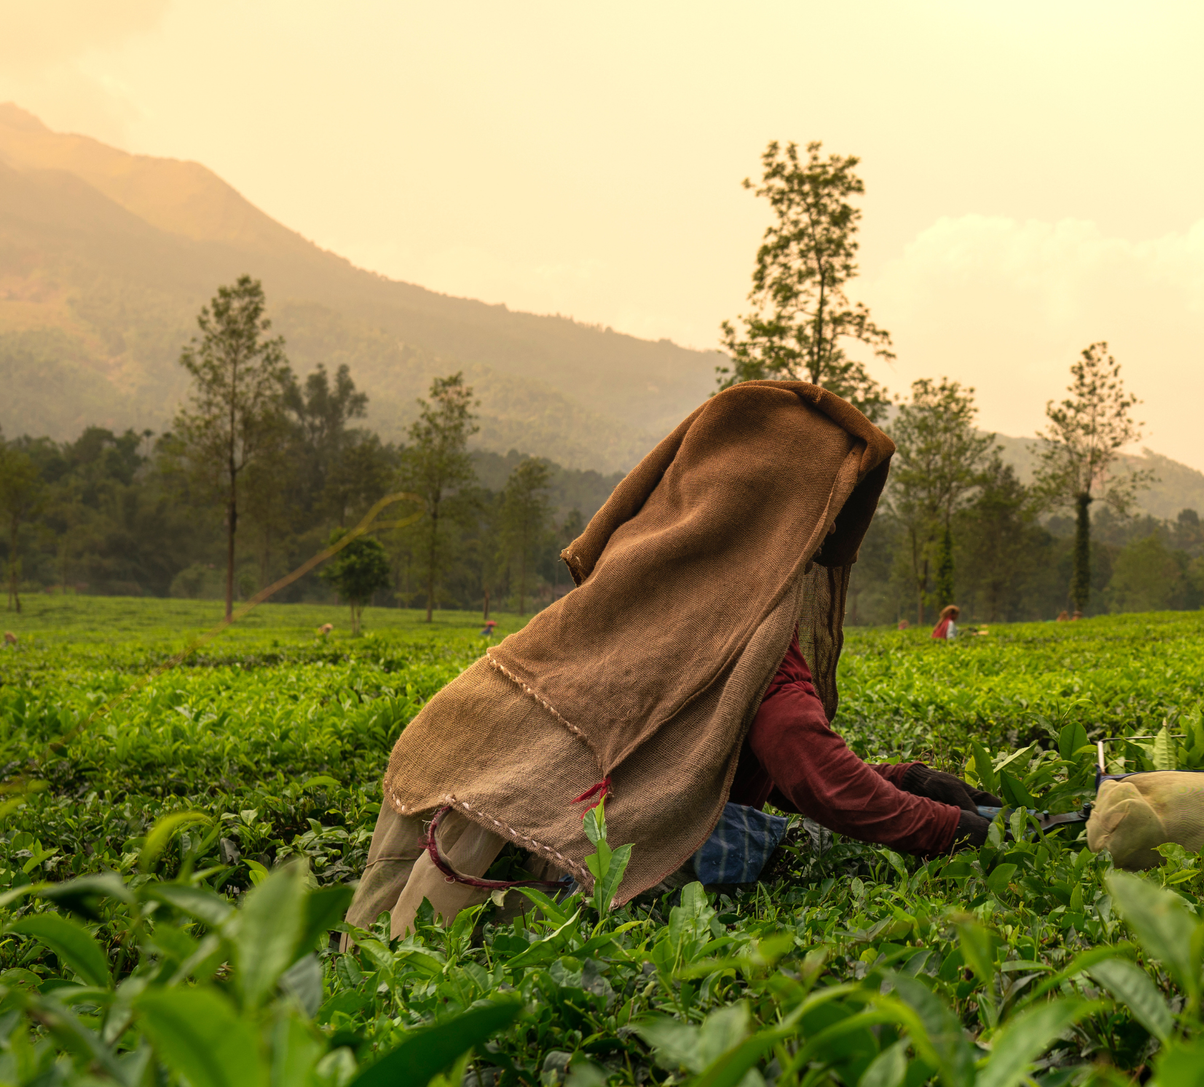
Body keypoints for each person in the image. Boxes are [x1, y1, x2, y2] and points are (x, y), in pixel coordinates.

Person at [343, 380, 994, 939]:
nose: (824, 533)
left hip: (456, 764)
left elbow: (725, 758)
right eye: (823, 511)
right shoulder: (749, 619)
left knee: (373, 982)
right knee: (444, 996)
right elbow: (807, 768)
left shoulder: (652, 574)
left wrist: (903, 778)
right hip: (517, 830)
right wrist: (957, 831)